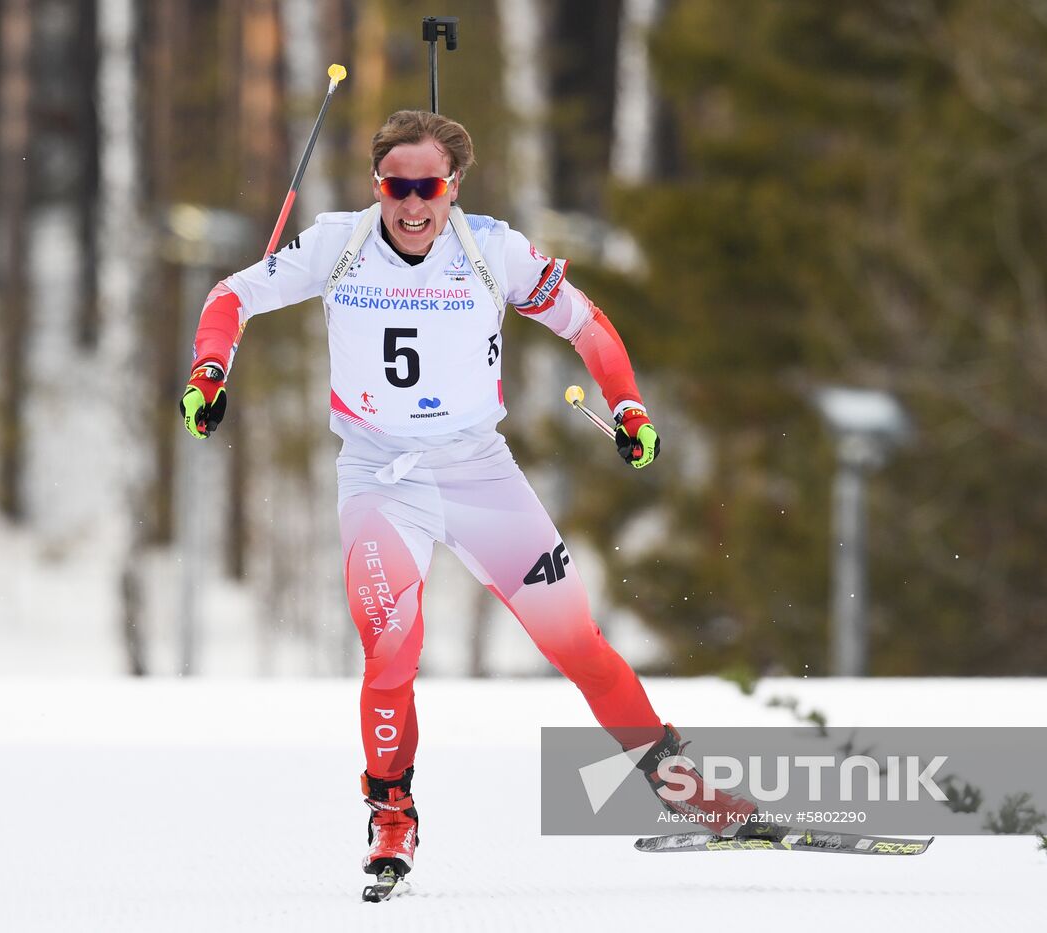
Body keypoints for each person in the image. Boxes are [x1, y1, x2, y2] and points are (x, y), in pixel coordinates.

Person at [180, 110, 755, 882]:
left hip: (480, 472)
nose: (411, 206)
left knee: (576, 644)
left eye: (428, 187)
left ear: (454, 187)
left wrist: (627, 405)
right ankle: (392, 814)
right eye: (396, 186)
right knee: (392, 650)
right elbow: (230, 297)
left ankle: (680, 787)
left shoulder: (492, 249)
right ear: (377, 184)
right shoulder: (338, 243)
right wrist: (208, 374)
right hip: (381, 476)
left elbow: (587, 325)